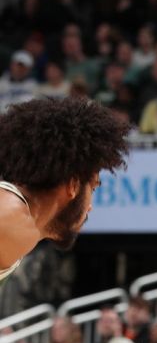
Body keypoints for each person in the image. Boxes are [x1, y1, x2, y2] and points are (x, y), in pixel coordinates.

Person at [0, 97, 129, 282]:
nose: (90, 207)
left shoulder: (19, 223)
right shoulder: (12, 216)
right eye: (92, 188)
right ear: (73, 186)